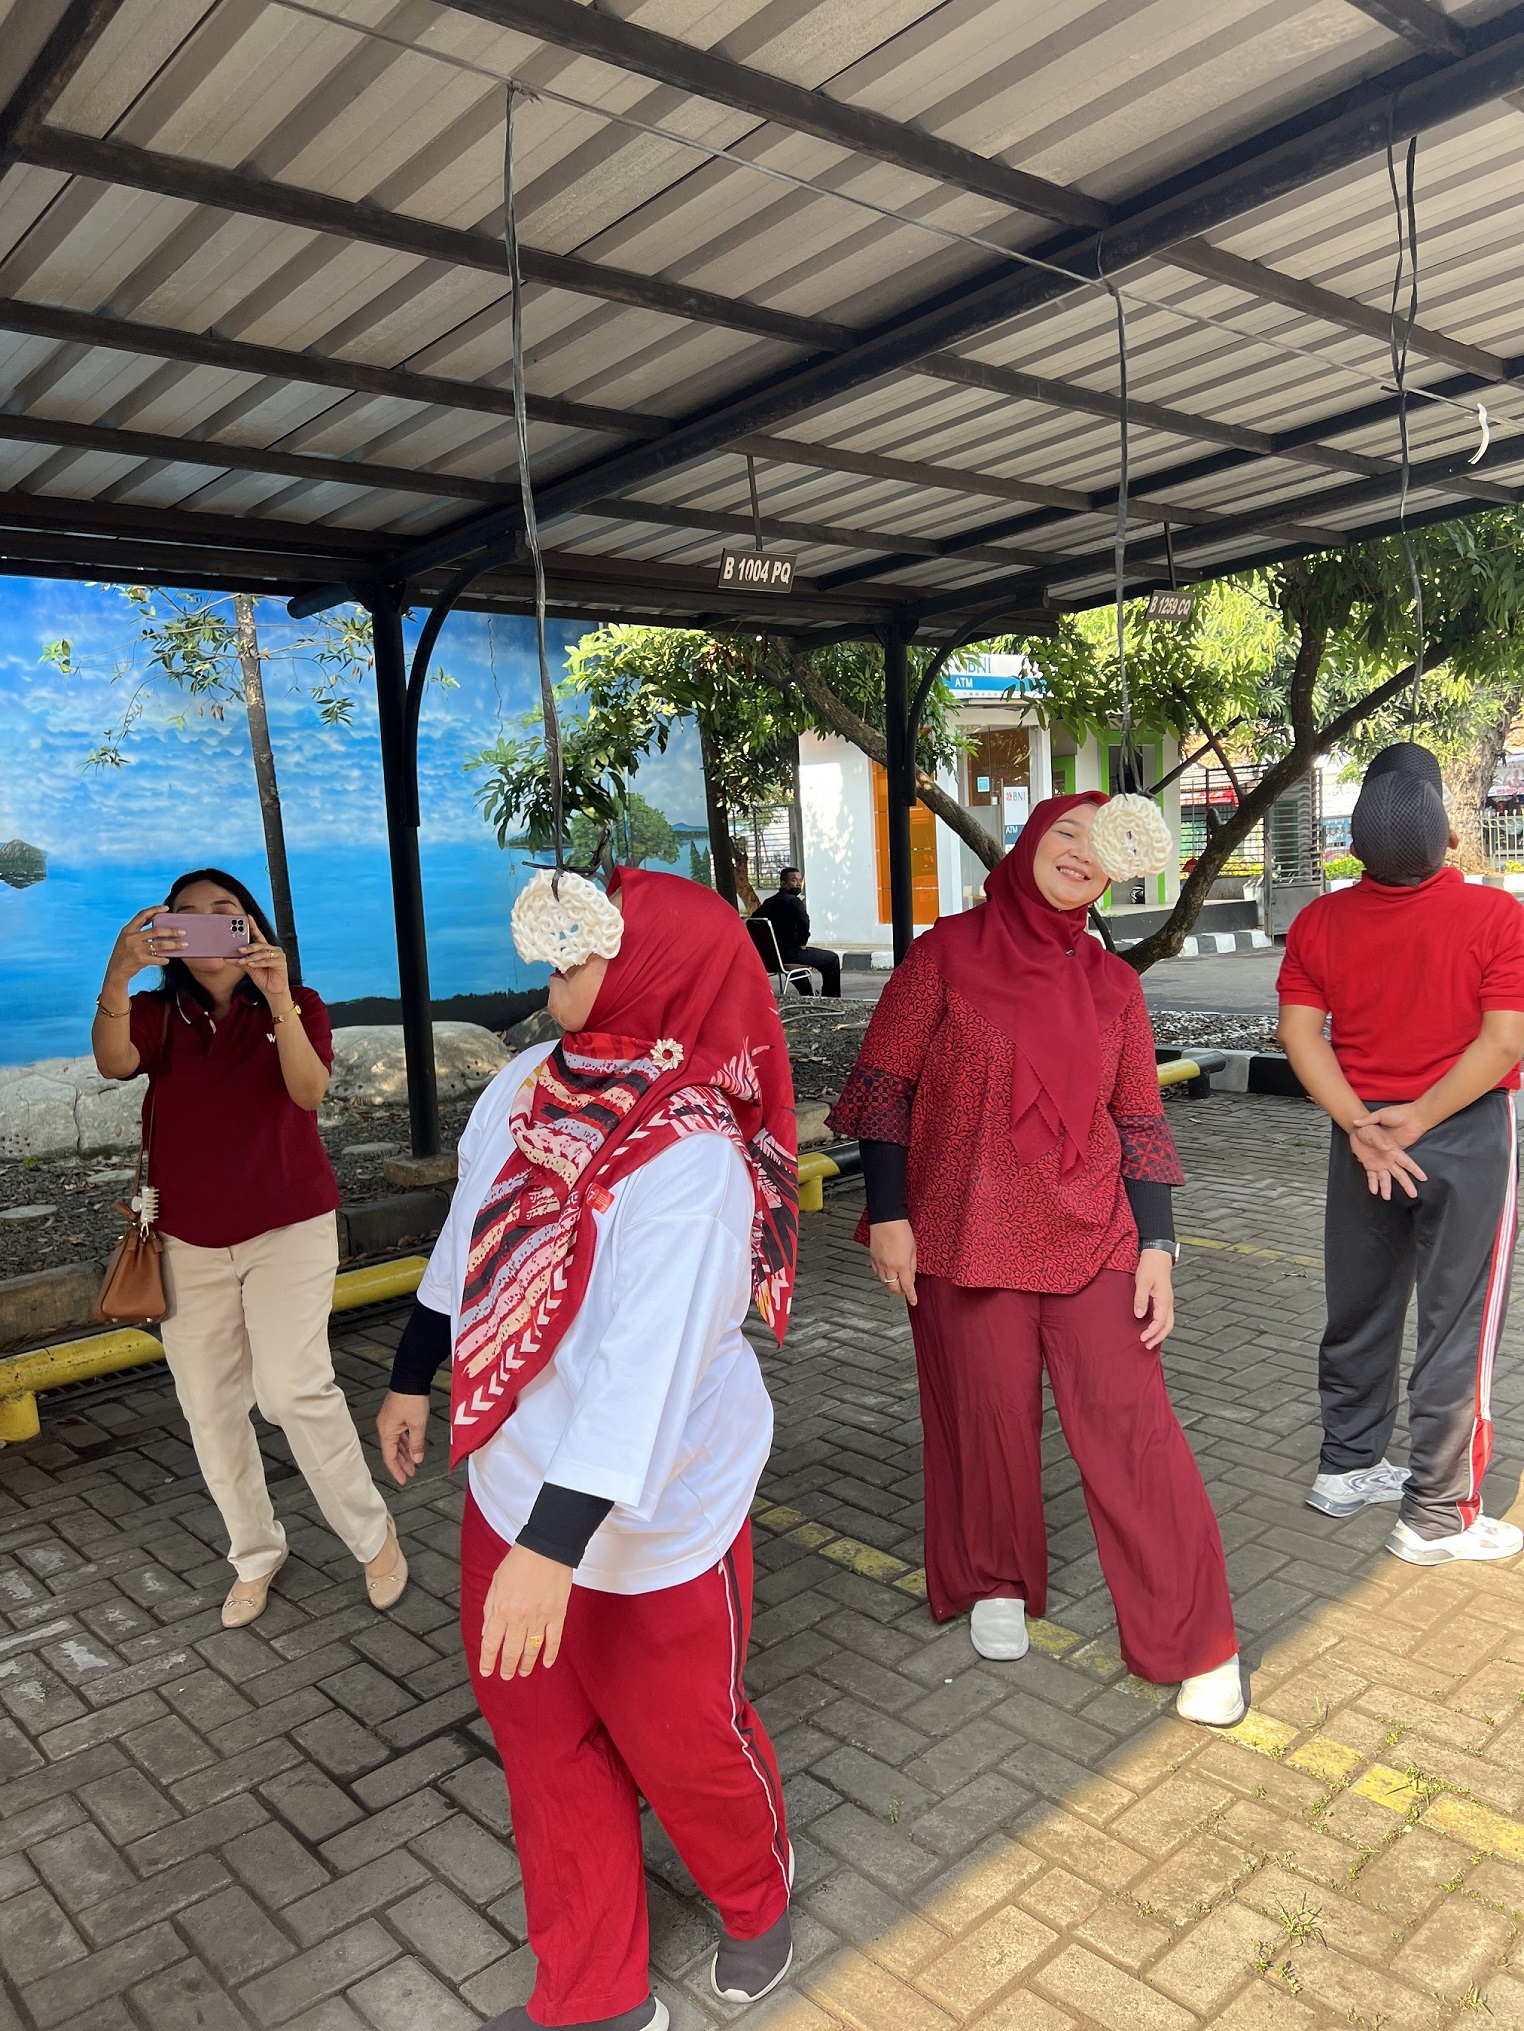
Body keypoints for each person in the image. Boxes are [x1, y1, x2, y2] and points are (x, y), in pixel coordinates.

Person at [375, 866, 800, 2031]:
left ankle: (755, 1893)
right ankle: (595, 1992)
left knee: (683, 1739)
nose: (560, 954)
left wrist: (550, 1550)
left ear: (657, 966)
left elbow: (644, 1372)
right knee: (543, 1743)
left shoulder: (693, 1157)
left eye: (593, 937)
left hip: (651, 1518)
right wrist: (413, 1370)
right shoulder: (526, 1084)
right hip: (515, 1485)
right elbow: (470, 1240)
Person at [827, 793, 1242, 1725]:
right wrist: (888, 1214)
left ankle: (1196, 1639)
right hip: (964, 1229)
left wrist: (1159, 1244)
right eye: (1065, 833)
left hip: (1094, 1231)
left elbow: (1138, 1118)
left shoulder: (1114, 984)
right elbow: (886, 1085)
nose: (1080, 854)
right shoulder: (945, 955)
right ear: (1027, 845)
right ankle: (997, 1579)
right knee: (985, 1420)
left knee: (1134, 1428)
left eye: (1098, 845)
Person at [92, 868, 407, 1628]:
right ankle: (255, 1552)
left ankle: (373, 1538)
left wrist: (277, 995)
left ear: (251, 924)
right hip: (187, 1239)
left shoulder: (298, 1004)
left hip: (288, 1227)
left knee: (293, 1390)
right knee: (208, 1405)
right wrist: (117, 974)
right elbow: (113, 1062)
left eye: (223, 911)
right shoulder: (157, 1013)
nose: (206, 923)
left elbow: (308, 1091)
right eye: (187, 915)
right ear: (169, 935)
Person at [1278, 743, 1524, 1564]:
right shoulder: (1497, 917)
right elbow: (1503, 1044)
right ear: (1449, 837)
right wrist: (1418, 1117)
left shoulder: (1318, 922)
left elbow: (1299, 1036)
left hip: (1363, 1139)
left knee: (1360, 1302)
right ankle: (1437, 1513)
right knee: (1460, 1320)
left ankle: (1348, 1465)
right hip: (1463, 1132)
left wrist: (1363, 1125)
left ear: (1353, 848)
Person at [751, 866, 841, 996]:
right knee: (832, 959)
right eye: (793, 880)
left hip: (772, 958)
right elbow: (804, 922)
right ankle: (831, 999)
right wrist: (802, 942)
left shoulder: (769, 902)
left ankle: (808, 995)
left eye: (800, 880)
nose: (798, 884)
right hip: (791, 953)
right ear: (783, 884)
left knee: (798, 965)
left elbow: (753, 921)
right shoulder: (794, 902)